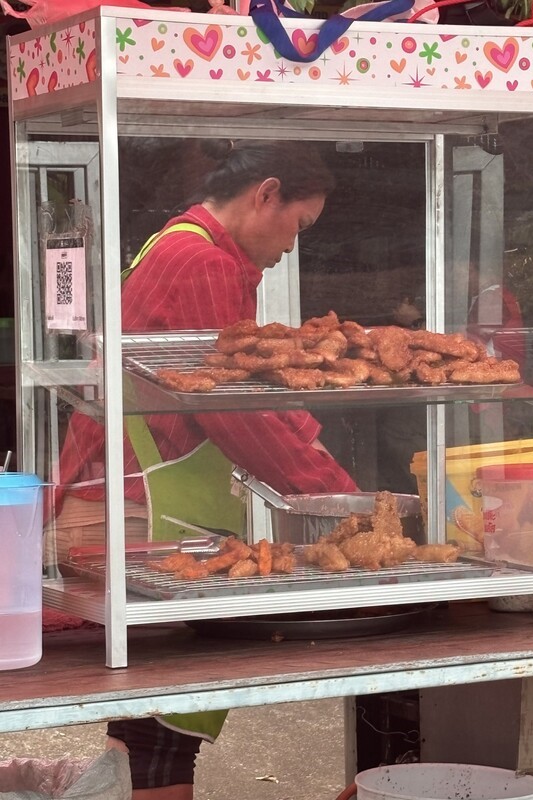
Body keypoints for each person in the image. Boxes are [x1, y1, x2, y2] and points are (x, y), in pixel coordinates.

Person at [51, 139, 358, 800]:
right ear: (266, 194)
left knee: (146, 722)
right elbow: (237, 414)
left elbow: (250, 391)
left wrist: (322, 462)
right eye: (299, 226)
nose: (293, 247)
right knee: (164, 722)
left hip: (114, 497)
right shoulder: (204, 263)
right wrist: (338, 500)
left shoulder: (175, 242)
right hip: (133, 509)